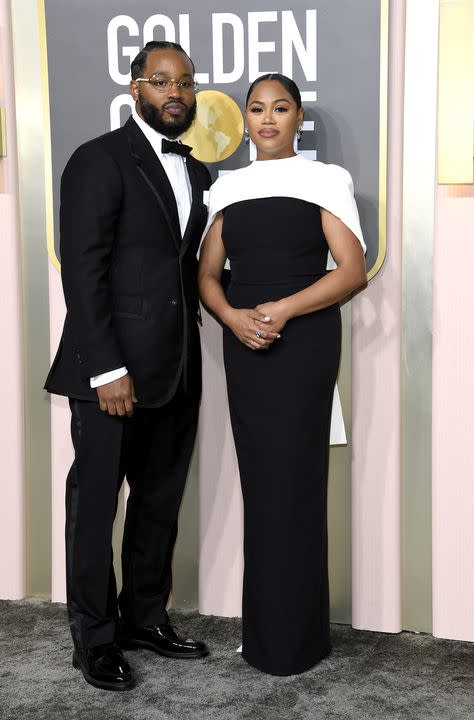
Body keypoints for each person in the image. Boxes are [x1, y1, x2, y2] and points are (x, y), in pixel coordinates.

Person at [44, 41, 211, 691]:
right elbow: (83, 273)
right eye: (163, 81)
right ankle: (93, 638)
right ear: (135, 87)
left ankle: (144, 617)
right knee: (95, 508)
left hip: (176, 367)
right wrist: (105, 368)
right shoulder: (98, 160)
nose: (177, 92)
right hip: (110, 372)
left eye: (187, 83)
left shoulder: (197, 172)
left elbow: (189, 271)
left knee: (158, 504)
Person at [198, 73, 367, 676]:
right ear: (243, 120)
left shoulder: (325, 180)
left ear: (298, 119)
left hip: (303, 344)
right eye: (257, 109)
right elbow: (208, 276)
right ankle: (266, 635)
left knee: (297, 484)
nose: (268, 119)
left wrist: (283, 309)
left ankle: (299, 639)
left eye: (281, 108)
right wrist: (233, 319)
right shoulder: (228, 187)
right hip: (246, 346)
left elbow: (352, 270)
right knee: (261, 486)